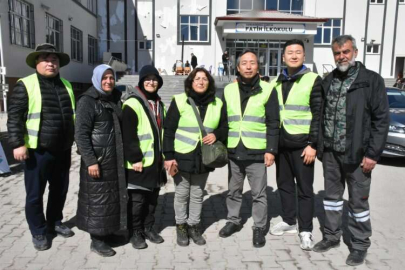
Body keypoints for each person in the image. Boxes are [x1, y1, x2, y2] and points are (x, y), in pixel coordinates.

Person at [313, 35, 389, 266]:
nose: (341, 56)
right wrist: (320, 147)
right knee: (332, 200)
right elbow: (320, 114)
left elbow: (381, 120)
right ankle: (332, 236)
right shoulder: (328, 80)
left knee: (358, 203)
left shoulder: (371, 81)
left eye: (345, 51)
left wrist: (373, 154)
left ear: (355, 52)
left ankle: (359, 244)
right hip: (331, 154)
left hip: (358, 155)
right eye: (337, 53)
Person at [7, 43, 75, 250]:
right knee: (35, 194)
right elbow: (15, 117)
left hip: (63, 149)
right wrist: (18, 144)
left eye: (54, 60)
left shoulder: (66, 84)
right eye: (45, 59)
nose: (50, 63)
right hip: (38, 151)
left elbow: (72, 115)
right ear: (37, 62)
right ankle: (38, 230)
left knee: (59, 190)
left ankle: (54, 222)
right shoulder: (25, 85)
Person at [219, 49, 280, 248]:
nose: (248, 66)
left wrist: (271, 150)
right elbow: (223, 120)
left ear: (258, 66)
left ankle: (259, 227)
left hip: (257, 151)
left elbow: (273, 122)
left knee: (259, 194)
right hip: (234, 150)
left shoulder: (268, 89)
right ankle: (233, 221)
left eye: (252, 62)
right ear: (237, 67)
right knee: (234, 190)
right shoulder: (228, 90)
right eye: (244, 63)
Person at [163, 68, 227, 247]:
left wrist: (217, 136)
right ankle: (181, 226)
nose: (200, 82)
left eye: (204, 79)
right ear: (190, 82)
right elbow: (168, 131)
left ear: (209, 82)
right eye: (197, 79)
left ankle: (194, 225)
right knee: (182, 194)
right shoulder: (180, 101)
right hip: (181, 155)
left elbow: (224, 127)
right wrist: (168, 157)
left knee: (198, 194)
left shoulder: (218, 103)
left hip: (204, 158)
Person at [268, 39, 322, 251]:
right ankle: (289, 221)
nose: (293, 55)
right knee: (285, 186)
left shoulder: (313, 79)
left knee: (305, 189)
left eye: (298, 52)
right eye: (289, 52)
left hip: (303, 146)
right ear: (283, 57)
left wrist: (313, 144)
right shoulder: (275, 81)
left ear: (304, 56)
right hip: (281, 144)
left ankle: (306, 229)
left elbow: (318, 115)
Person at [75, 64, 127, 257]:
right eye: (104, 78)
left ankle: (109, 233)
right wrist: (91, 161)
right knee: (97, 200)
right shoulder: (88, 101)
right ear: (96, 79)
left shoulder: (114, 99)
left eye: (111, 78)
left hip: (113, 159)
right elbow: (81, 134)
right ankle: (97, 240)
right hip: (98, 160)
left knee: (111, 199)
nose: (108, 81)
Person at [122, 65, 167, 249]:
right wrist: (135, 159)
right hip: (139, 163)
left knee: (152, 200)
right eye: (147, 79)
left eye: (154, 79)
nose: (151, 82)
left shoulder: (158, 103)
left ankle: (149, 227)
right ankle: (135, 232)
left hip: (155, 163)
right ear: (141, 81)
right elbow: (128, 135)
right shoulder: (132, 103)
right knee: (137, 201)